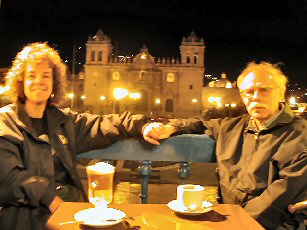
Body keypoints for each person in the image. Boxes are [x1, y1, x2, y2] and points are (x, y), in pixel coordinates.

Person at [0, 42, 149, 229]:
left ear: (54, 83)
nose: (39, 81)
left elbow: (104, 124)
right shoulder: (6, 122)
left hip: (72, 211)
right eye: (31, 76)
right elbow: (7, 177)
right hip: (28, 218)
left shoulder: (64, 121)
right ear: (21, 82)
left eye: (46, 76)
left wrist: (144, 126)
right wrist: (49, 198)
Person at [143, 62, 307, 229]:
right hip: (229, 219)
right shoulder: (232, 127)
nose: (256, 97)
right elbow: (201, 124)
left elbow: (279, 199)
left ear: (281, 94)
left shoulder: (300, 136)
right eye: (249, 92)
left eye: (264, 89)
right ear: (243, 98)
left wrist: (233, 222)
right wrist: (171, 127)